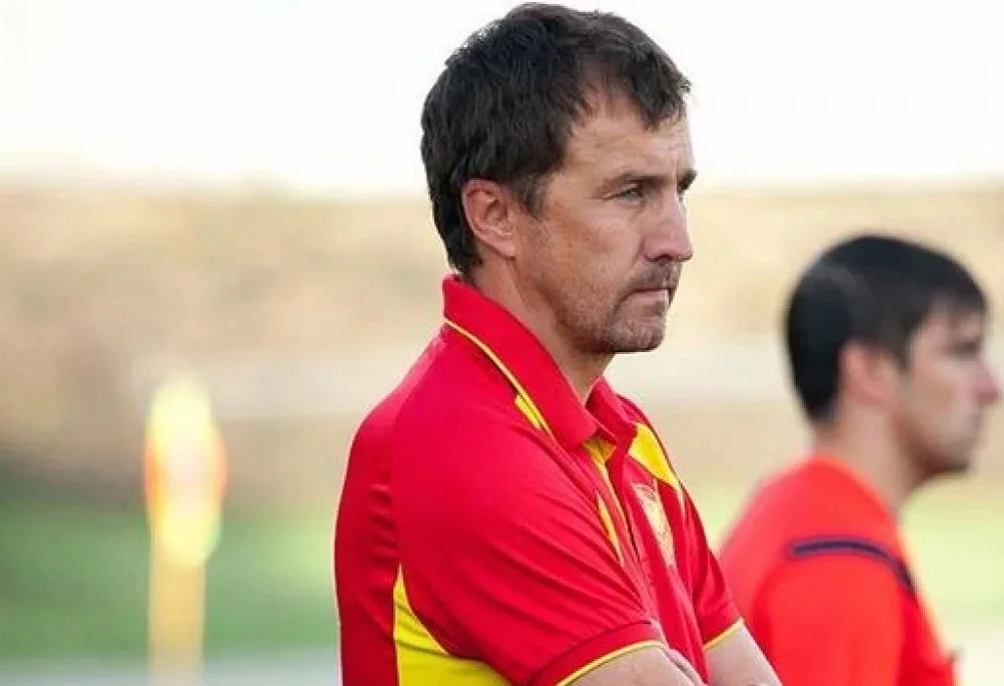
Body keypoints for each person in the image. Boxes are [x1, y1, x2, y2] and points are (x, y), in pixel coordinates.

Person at [333, 4, 780, 685]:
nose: (678, 241)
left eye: (678, 191)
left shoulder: (626, 436)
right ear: (495, 215)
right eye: (630, 193)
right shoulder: (460, 444)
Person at [717, 233, 1004, 685]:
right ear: (870, 370)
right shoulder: (835, 554)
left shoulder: (802, 513)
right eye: (962, 352)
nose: (992, 388)